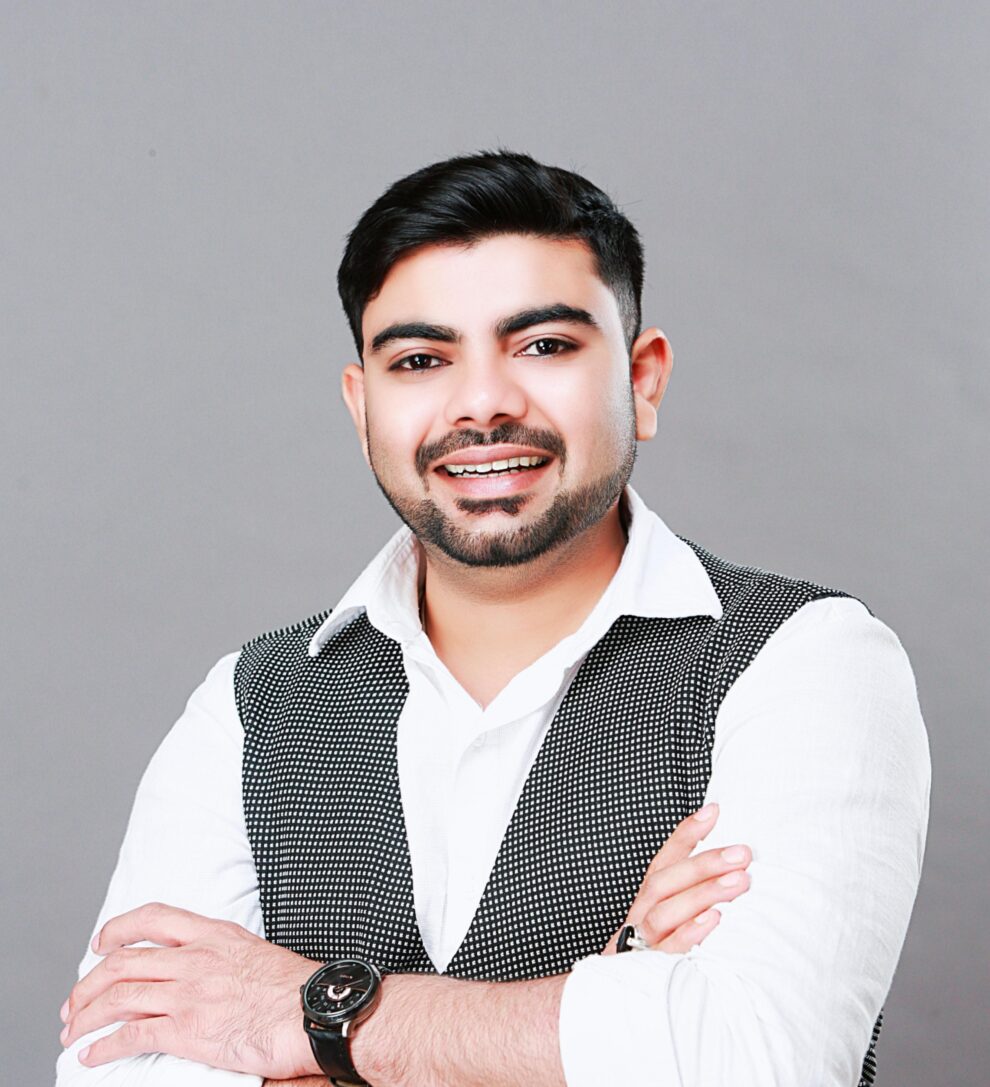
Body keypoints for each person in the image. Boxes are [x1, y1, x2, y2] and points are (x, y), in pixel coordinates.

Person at [56, 150, 930, 1087]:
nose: (481, 403)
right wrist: (615, 1004)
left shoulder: (804, 660)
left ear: (643, 381)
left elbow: (757, 1061)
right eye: (420, 360)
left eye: (544, 346)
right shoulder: (247, 704)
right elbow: (115, 1071)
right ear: (363, 406)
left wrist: (307, 1015)